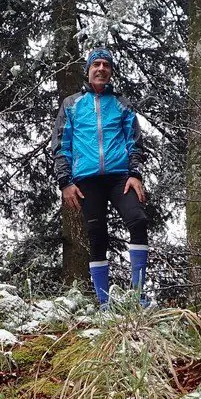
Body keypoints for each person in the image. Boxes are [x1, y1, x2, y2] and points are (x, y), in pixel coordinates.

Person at [51, 48, 148, 306]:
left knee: (137, 221)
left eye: (106, 64)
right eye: (97, 64)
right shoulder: (72, 104)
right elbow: (61, 145)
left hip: (120, 177)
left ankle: (138, 296)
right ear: (88, 70)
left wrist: (135, 174)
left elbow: (134, 142)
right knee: (97, 233)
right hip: (87, 180)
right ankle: (104, 304)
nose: (101, 68)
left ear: (111, 71)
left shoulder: (121, 104)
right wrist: (65, 182)